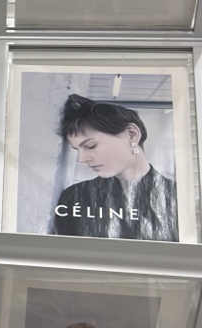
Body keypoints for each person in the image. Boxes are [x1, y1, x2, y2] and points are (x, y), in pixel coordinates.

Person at [50, 93, 178, 241]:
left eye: (91, 145)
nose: (82, 159)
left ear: (131, 134)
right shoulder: (75, 196)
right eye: (77, 150)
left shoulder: (177, 197)